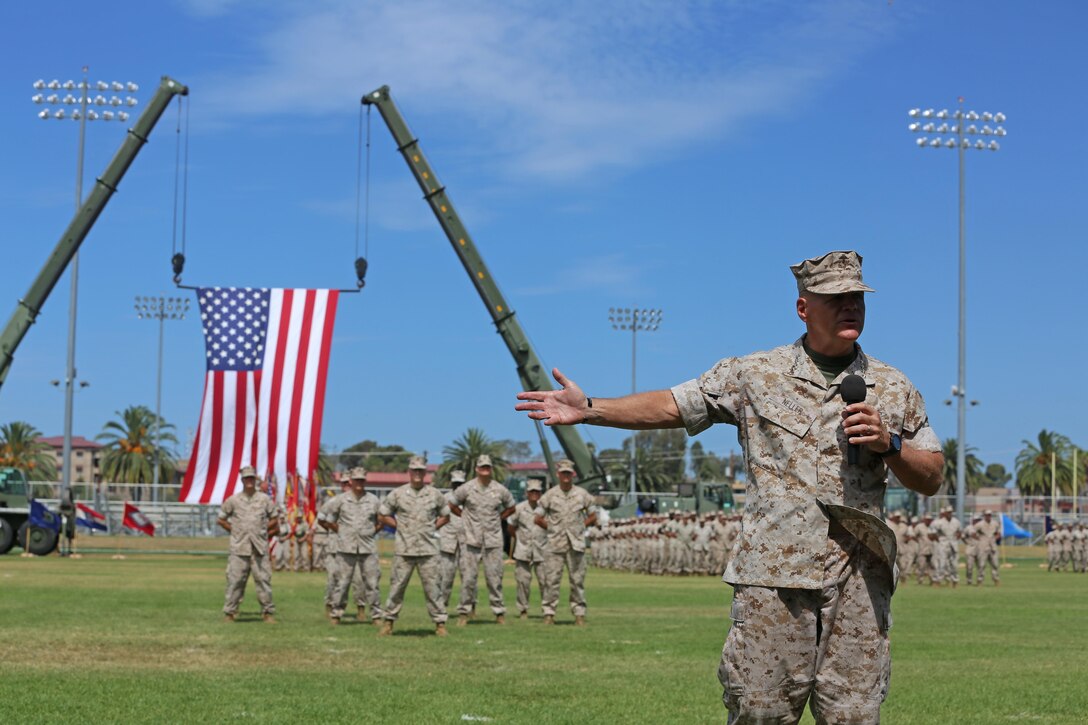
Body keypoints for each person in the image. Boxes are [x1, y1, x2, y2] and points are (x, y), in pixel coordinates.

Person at [516, 250, 943, 723]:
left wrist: (892, 444)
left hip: (859, 586)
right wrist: (593, 407)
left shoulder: (891, 384)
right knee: (760, 715)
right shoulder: (755, 373)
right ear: (804, 308)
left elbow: (932, 475)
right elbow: (674, 405)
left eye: (857, 298)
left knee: (855, 718)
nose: (851, 307)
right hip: (774, 583)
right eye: (836, 298)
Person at [377, 456, 451, 637]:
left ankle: (440, 624)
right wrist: (398, 526)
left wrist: (433, 527)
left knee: (434, 589)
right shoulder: (398, 494)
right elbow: (382, 514)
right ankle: (388, 623)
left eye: (420, 470)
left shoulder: (434, 494)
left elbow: (446, 515)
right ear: (409, 472)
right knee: (396, 588)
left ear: (425, 472)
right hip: (404, 549)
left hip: (429, 550)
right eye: (414, 470)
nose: (417, 473)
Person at [450, 454, 516, 626]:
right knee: (468, 579)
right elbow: (452, 504)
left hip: (493, 540)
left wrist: (501, 517)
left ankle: (499, 612)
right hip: (471, 539)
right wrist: (464, 517)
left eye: (488, 467)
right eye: (482, 467)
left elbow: (511, 506)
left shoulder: (499, 489)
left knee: (495, 578)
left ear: (491, 469)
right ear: (477, 469)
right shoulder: (467, 488)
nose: (485, 470)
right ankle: (464, 613)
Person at [536, 459, 598, 625]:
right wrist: (551, 529)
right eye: (563, 473)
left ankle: (579, 614)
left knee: (577, 580)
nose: (566, 476)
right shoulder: (550, 495)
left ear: (573, 475)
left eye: (568, 473)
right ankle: (549, 614)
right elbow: (538, 517)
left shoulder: (582, 494)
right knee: (551, 581)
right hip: (555, 544)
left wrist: (580, 527)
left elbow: (593, 515)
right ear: (558, 474)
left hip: (575, 544)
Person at [319, 467, 383, 625]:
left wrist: (371, 532)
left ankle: (376, 615)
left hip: (367, 548)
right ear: (351, 482)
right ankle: (336, 614)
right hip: (345, 548)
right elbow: (328, 520)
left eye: (362, 480)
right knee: (342, 582)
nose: (359, 483)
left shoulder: (373, 500)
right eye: (356, 480)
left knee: (372, 583)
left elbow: (381, 520)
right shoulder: (340, 500)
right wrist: (341, 532)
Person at [218, 465, 280, 623]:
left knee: (263, 581)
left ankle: (267, 612)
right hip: (239, 548)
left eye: (252, 478)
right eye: (247, 478)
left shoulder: (264, 499)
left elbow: (274, 518)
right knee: (235, 581)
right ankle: (230, 612)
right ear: (242, 480)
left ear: (255, 480)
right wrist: (234, 530)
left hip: (259, 547)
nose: (249, 481)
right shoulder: (233, 500)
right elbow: (221, 519)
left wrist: (264, 530)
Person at [509, 478, 548, 619]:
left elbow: (551, 527)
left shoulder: (546, 508)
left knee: (545, 582)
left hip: (542, 550)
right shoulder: (519, 508)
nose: (534, 494)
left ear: (541, 493)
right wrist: (520, 539)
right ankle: (523, 610)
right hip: (523, 550)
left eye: (537, 492)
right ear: (526, 493)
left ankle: (547, 610)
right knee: (522, 582)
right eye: (531, 491)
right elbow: (511, 527)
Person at [437, 469, 468, 609]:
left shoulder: (470, 499)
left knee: (468, 579)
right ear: (451, 483)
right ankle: (442, 607)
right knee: (445, 578)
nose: (458, 486)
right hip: (447, 544)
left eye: (460, 484)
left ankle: (469, 607)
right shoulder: (443, 499)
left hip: (467, 544)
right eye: (455, 483)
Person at [976, 510, 1002, 585]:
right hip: (983, 545)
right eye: (987, 515)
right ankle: (980, 580)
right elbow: (973, 532)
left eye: (990, 515)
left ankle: (996, 579)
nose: (988, 516)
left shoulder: (995, 523)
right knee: (981, 564)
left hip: (992, 545)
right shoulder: (979, 524)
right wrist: (979, 539)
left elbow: (998, 533)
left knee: (995, 564)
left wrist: (995, 538)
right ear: (984, 515)